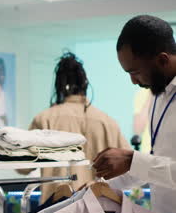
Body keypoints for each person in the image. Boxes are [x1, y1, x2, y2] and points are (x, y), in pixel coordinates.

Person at [93, 15, 176, 213]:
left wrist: (132, 159)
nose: (133, 81)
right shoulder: (160, 95)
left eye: (136, 72)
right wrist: (101, 184)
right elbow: (158, 165)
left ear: (162, 60)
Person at [30, 52, 129, 203]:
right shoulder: (108, 122)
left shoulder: (44, 119)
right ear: (85, 84)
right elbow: (128, 166)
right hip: (101, 209)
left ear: (59, 85)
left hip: (56, 211)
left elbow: (22, 167)